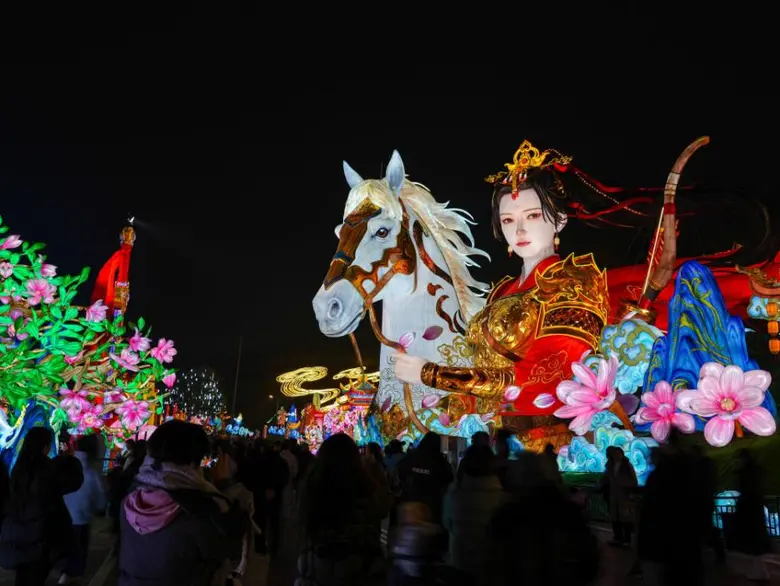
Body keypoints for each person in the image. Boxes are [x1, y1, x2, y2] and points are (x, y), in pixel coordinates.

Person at [394, 138, 777, 448]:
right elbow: (483, 369)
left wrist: (433, 374)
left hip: (553, 441)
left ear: (558, 220)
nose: (520, 230)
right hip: (495, 439)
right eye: (509, 220)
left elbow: (543, 376)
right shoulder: (502, 292)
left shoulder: (574, 284)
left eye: (532, 216)